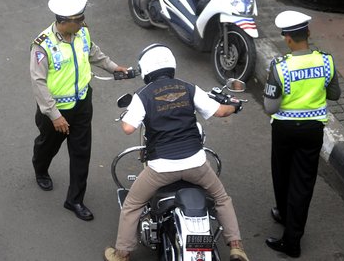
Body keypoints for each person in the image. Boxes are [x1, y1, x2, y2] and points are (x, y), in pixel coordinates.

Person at [104, 43, 249, 261]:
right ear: (171, 65)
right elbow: (219, 111)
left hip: (161, 168)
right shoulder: (188, 87)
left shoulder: (143, 95)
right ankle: (237, 247)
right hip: (196, 165)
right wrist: (235, 106)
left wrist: (128, 115)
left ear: (146, 69)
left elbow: (128, 128)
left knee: (132, 205)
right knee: (221, 198)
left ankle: (121, 254)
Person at [30, 0, 128, 221]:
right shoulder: (43, 45)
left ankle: (74, 199)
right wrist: (55, 115)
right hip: (55, 110)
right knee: (47, 145)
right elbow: (38, 83)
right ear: (64, 21)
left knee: (81, 152)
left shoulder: (81, 32)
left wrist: (113, 67)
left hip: (83, 103)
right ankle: (40, 168)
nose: (83, 22)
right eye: (79, 19)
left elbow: (92, 52)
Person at [263, 10, 341, 258]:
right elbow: (335, 95)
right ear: (308, 32)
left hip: (284, 130)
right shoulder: (326, 62)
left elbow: (270, 107)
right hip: (313, 130)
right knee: (303, 182)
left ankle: (288, 231)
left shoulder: (279, 67)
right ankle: (292, 229)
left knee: (282, 174)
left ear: (287, 38)